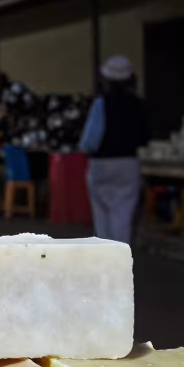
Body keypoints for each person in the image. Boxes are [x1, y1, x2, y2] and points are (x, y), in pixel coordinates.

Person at [79, 55, 151, 244]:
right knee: (123, 212)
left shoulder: (101, 103)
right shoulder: (138, 104)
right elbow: (145, 137)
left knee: (101, 213)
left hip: (101, 163)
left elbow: (89, 140)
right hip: (128, 163)